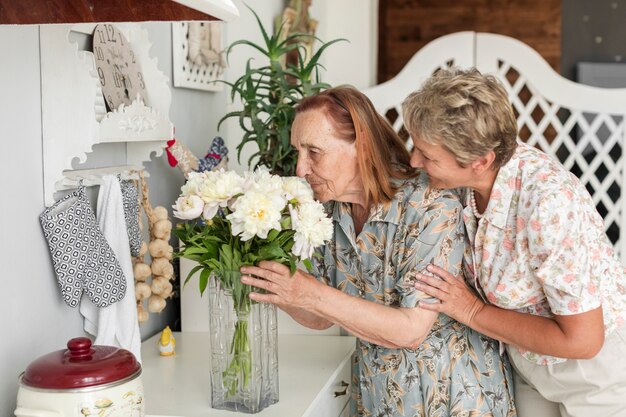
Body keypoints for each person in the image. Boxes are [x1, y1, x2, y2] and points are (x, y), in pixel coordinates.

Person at [240, 86, 516, 417]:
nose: (301, 169)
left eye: (314, 151)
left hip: (452, 398)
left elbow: (411, 330)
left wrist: (308, 293)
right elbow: (319, 317)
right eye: (298, 151)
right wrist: (278, 287)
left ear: (363, 148)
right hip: (379, 397)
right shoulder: (329, 212)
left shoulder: (430, 206)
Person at [402, 67, 626, 417]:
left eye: (428, 156)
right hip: (529, 362)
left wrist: (471, 310)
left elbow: (584, 340)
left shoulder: (548, 202)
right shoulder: (467, 183)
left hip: (596, 375)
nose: (415, 160)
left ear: (480, 161)